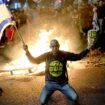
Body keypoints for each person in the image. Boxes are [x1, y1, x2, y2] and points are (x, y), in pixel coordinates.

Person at [23, 39, 92, 105]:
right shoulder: (47, 55)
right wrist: (27, 52)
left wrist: (88, 48)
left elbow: (78, 56)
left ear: (59, 46)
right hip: (50, 83)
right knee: (42, 101)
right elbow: (34, 61)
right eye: (53, 46)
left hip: (63, 83)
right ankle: (48, 93)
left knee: (75, 97)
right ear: (50, 47)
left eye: (56, 46)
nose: (55, 48)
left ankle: (59, 92)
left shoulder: (64, 54)